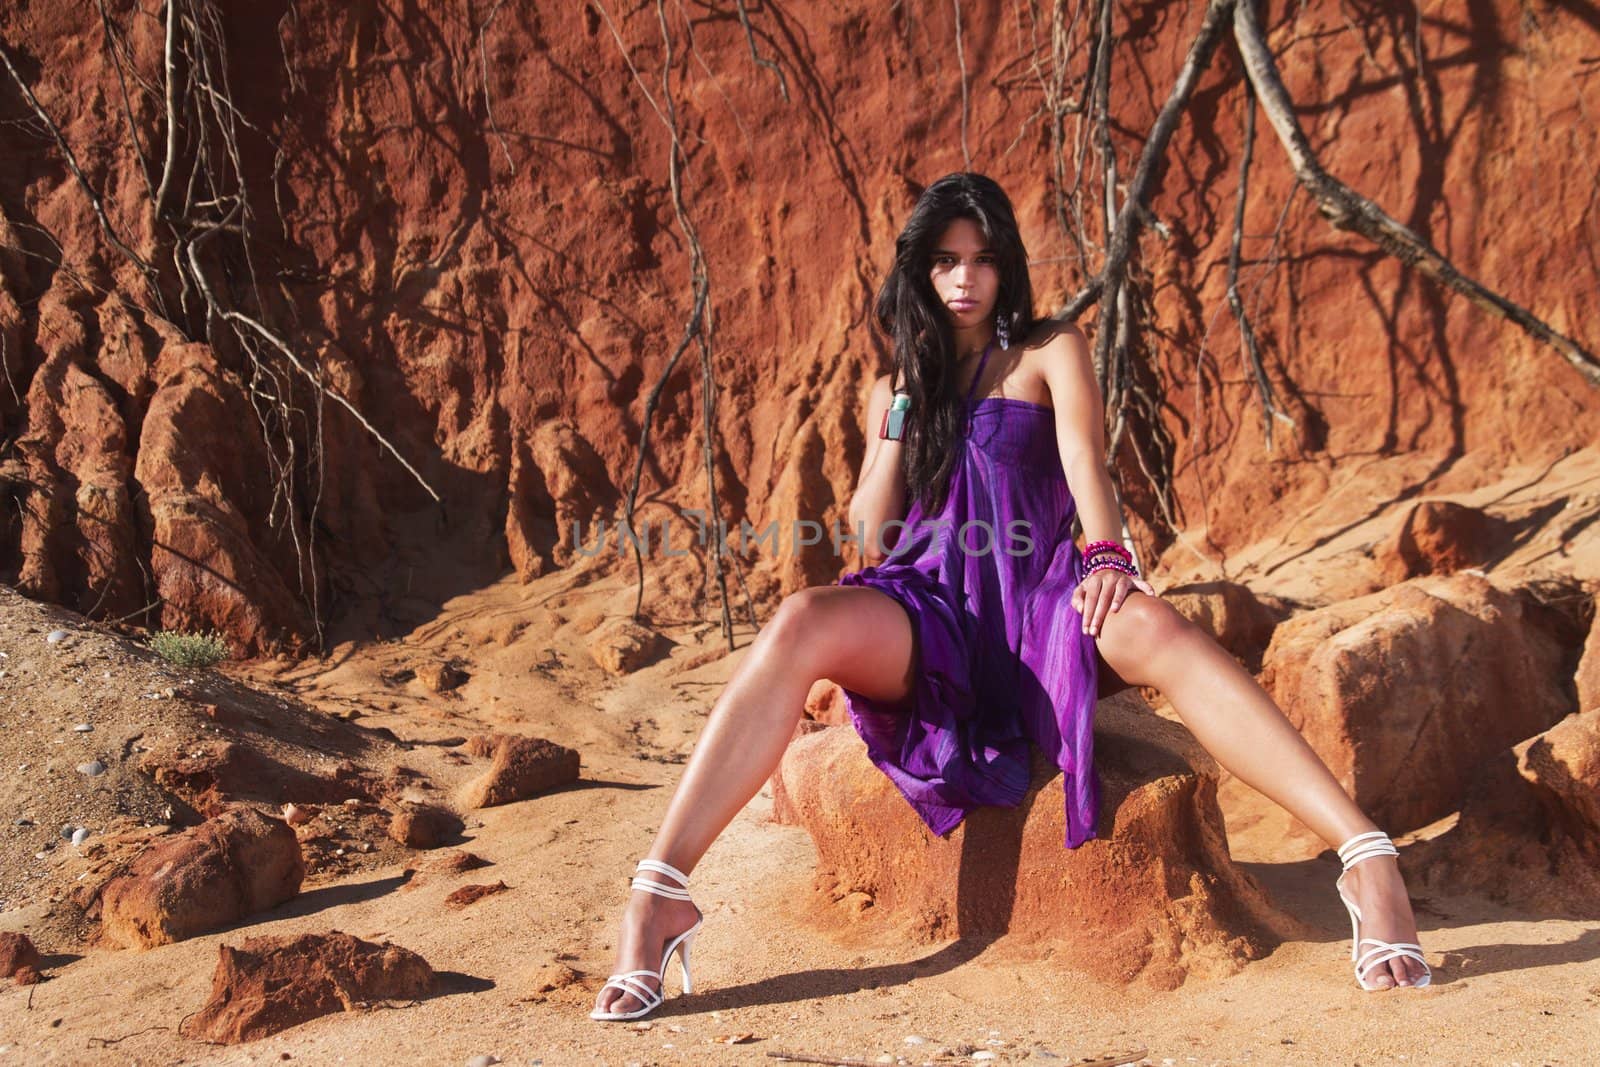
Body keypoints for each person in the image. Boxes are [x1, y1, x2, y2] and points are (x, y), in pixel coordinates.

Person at [589, 172, 1430, 1021]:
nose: (964, 279)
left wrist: (1106, 556)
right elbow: (872, 536)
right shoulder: (892, 388)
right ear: (920, 271)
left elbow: (1085, 463)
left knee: (1159, 630)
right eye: (947, 261)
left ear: (1006, 269)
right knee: (802, 617)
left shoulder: (1048, 350)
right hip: (929, 614)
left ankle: (1364, 855)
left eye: (983, 260)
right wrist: (897, 419)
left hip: (1041, 602)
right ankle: (661, 890)